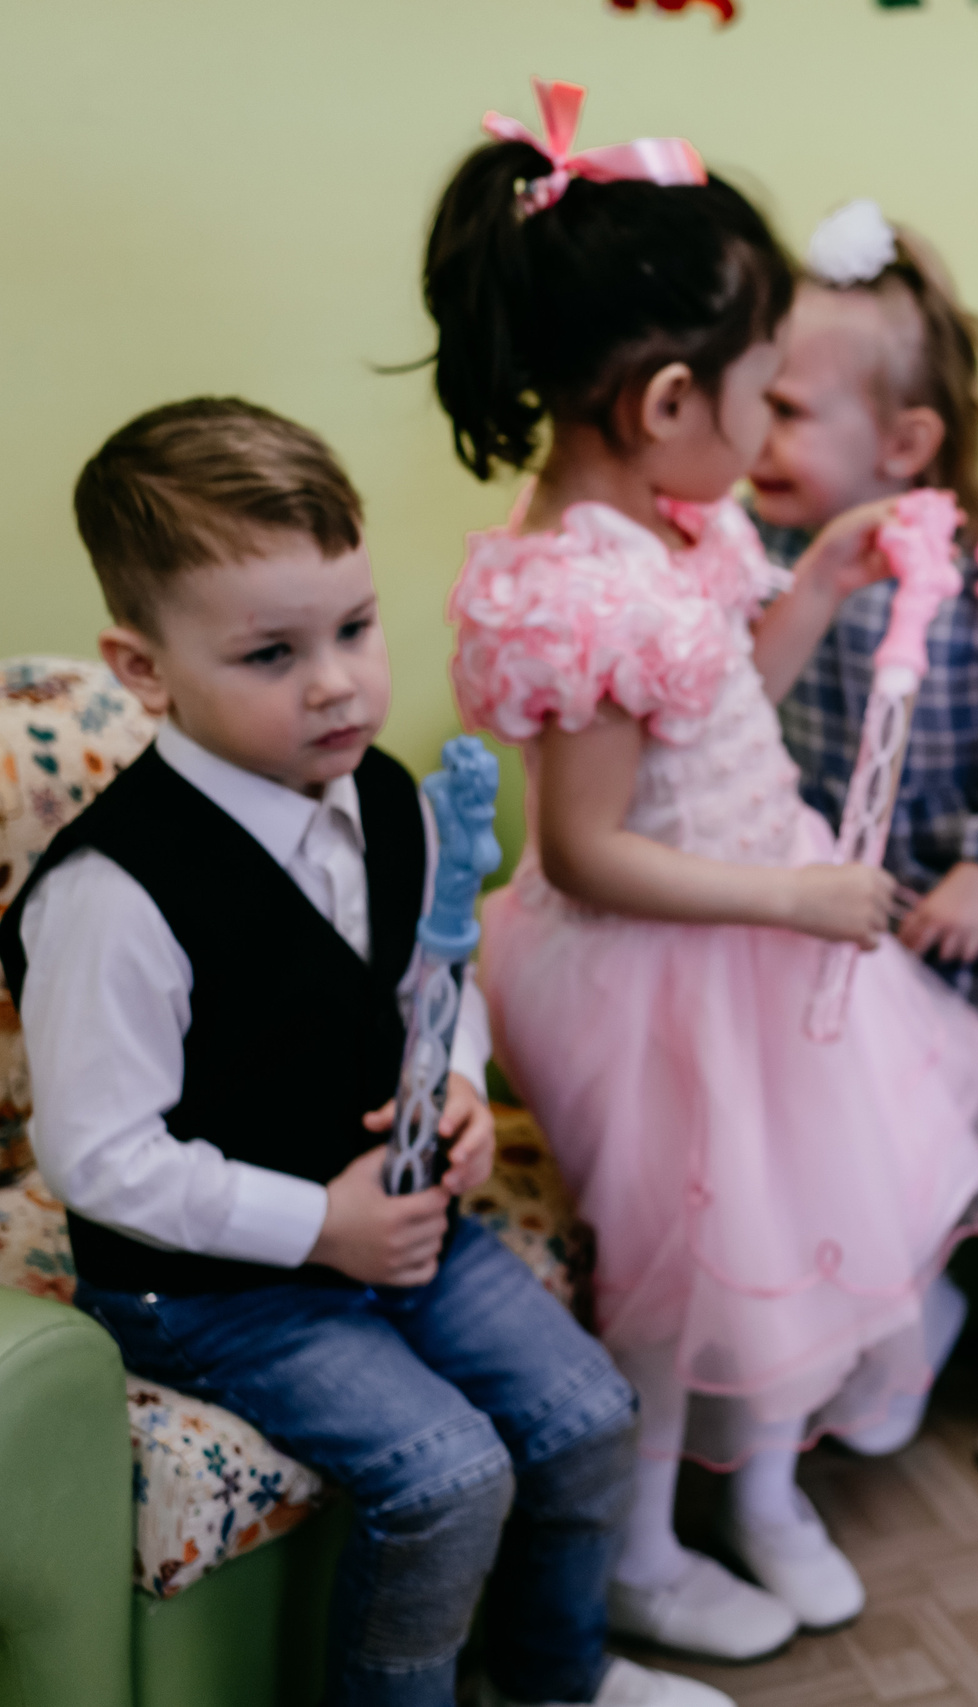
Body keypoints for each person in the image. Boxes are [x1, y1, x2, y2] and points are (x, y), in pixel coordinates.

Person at [426, 85, 978, 1662]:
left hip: (761, 934)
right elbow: (588, 851)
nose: (770, 435)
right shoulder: (579, 586)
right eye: (764, 396)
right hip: (661, 971)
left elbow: (727, 702)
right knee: (685, 1276)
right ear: (670, 400)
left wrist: (823, 571)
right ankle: (637, 1547)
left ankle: (761, 1488)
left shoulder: (681, 529)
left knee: (797, 1236)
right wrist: (796, 899)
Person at [0, 398, 720, 1707]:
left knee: (588, 1409)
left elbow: (435, 982)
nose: (335, 679)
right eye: (272, 652)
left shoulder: (386, 793)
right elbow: (96, 1155)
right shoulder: (112, 895)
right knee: (448, 1473)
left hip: (395, 1222)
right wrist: (316, 1223)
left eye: (355, 626)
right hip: (209, 1285)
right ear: (145, 667)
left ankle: (558, 1678)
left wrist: (451, 1074)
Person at [750, 198, 978, 1478]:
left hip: (969, 902)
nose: (756, 435)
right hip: (832, 910)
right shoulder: (765, 558)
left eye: (787, 409)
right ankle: (907, 1321)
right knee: (830, 1121)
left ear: (904, 440)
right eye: (755, 400)